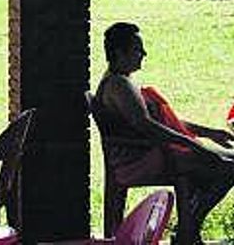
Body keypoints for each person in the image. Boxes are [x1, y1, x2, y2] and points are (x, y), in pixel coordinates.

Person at [95, 22, 234, 244]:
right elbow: (148, 127)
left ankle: (188, 228)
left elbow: (160, 122)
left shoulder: (122, 80)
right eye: (137, 49)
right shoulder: (118, 86)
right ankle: (188, 230)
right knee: (227, 166)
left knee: (225, 160)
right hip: (139, 160)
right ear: (119, 53)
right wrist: (195, 145)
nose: (144, 54)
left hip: (148, 152)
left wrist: (207, 133)